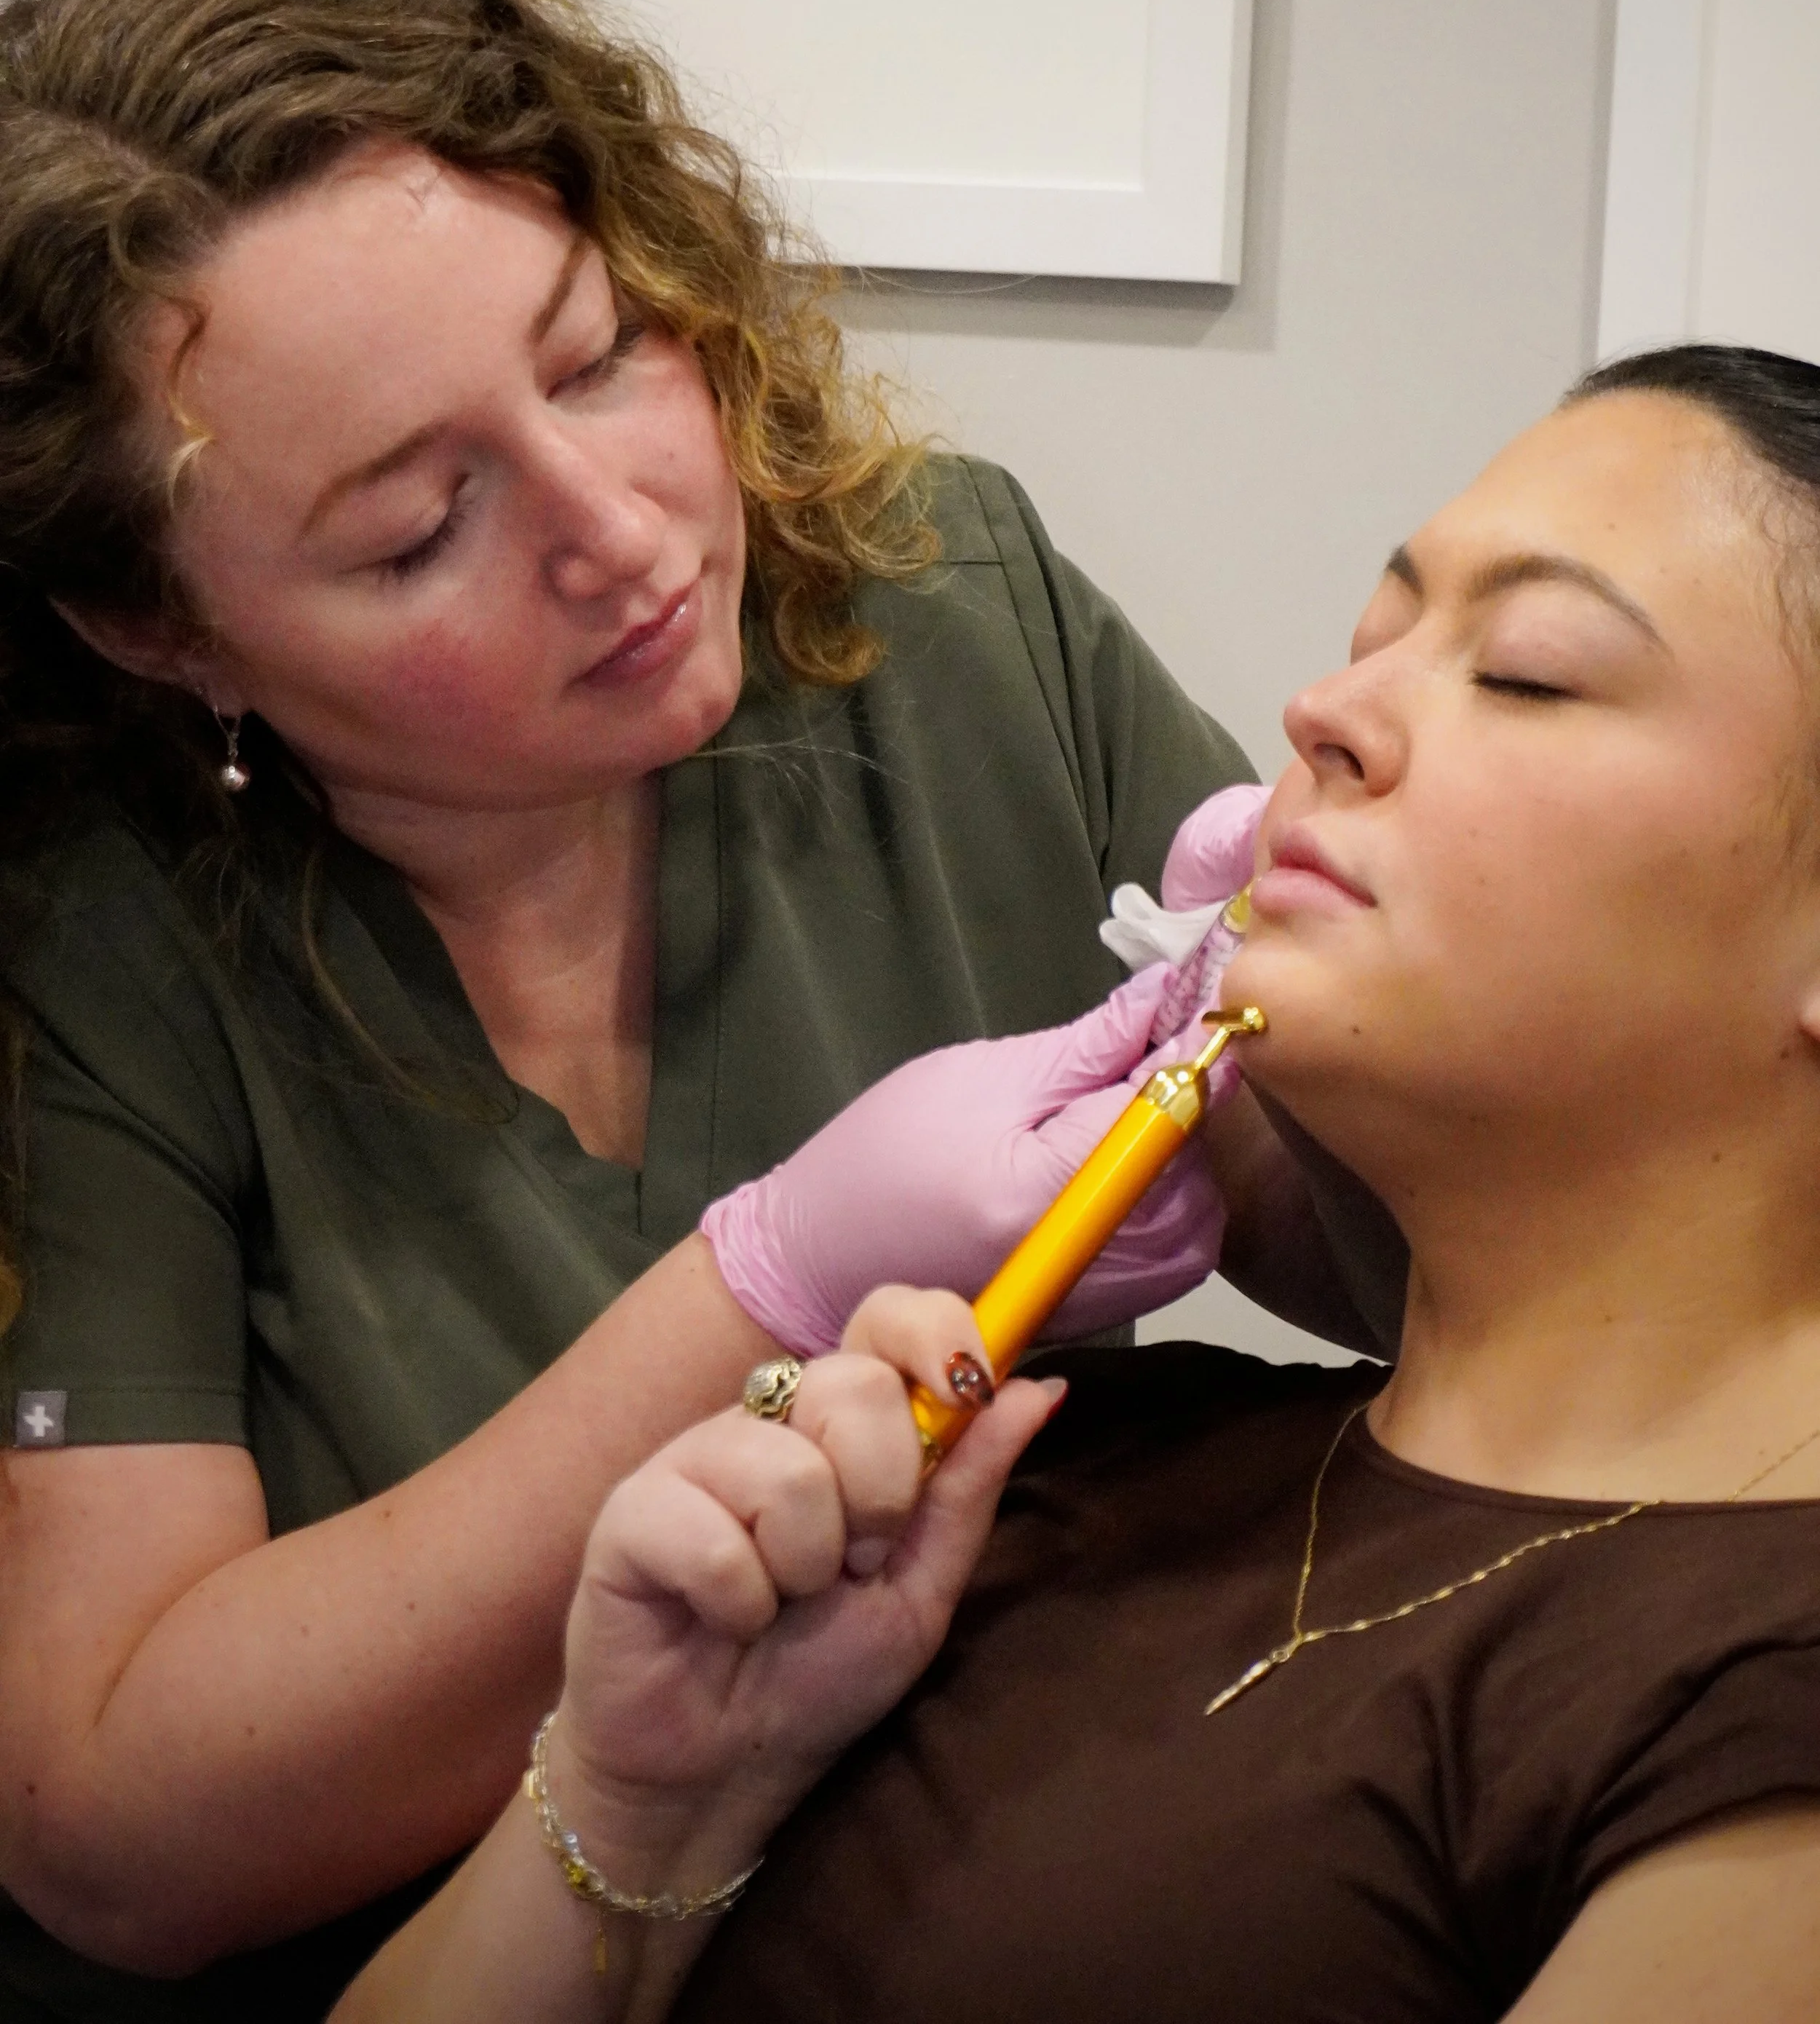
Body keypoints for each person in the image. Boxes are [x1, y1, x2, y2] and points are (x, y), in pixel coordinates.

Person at [0, 0, 1345, 2023]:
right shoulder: (89, 924)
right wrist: (764, 1285)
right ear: (159, 627)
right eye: (413, 526)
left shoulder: (943, 619)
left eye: (597, 348)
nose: (623, 531)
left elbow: (1432, 1266)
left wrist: (1420, 1009)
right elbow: (113, 1827)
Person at [336, 343, 1820, 2024]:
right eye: (1372, 636)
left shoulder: (1757, 1693)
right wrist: (637, 1799)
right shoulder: (1015, 1477)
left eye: (1527, 675)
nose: (1322, 717)